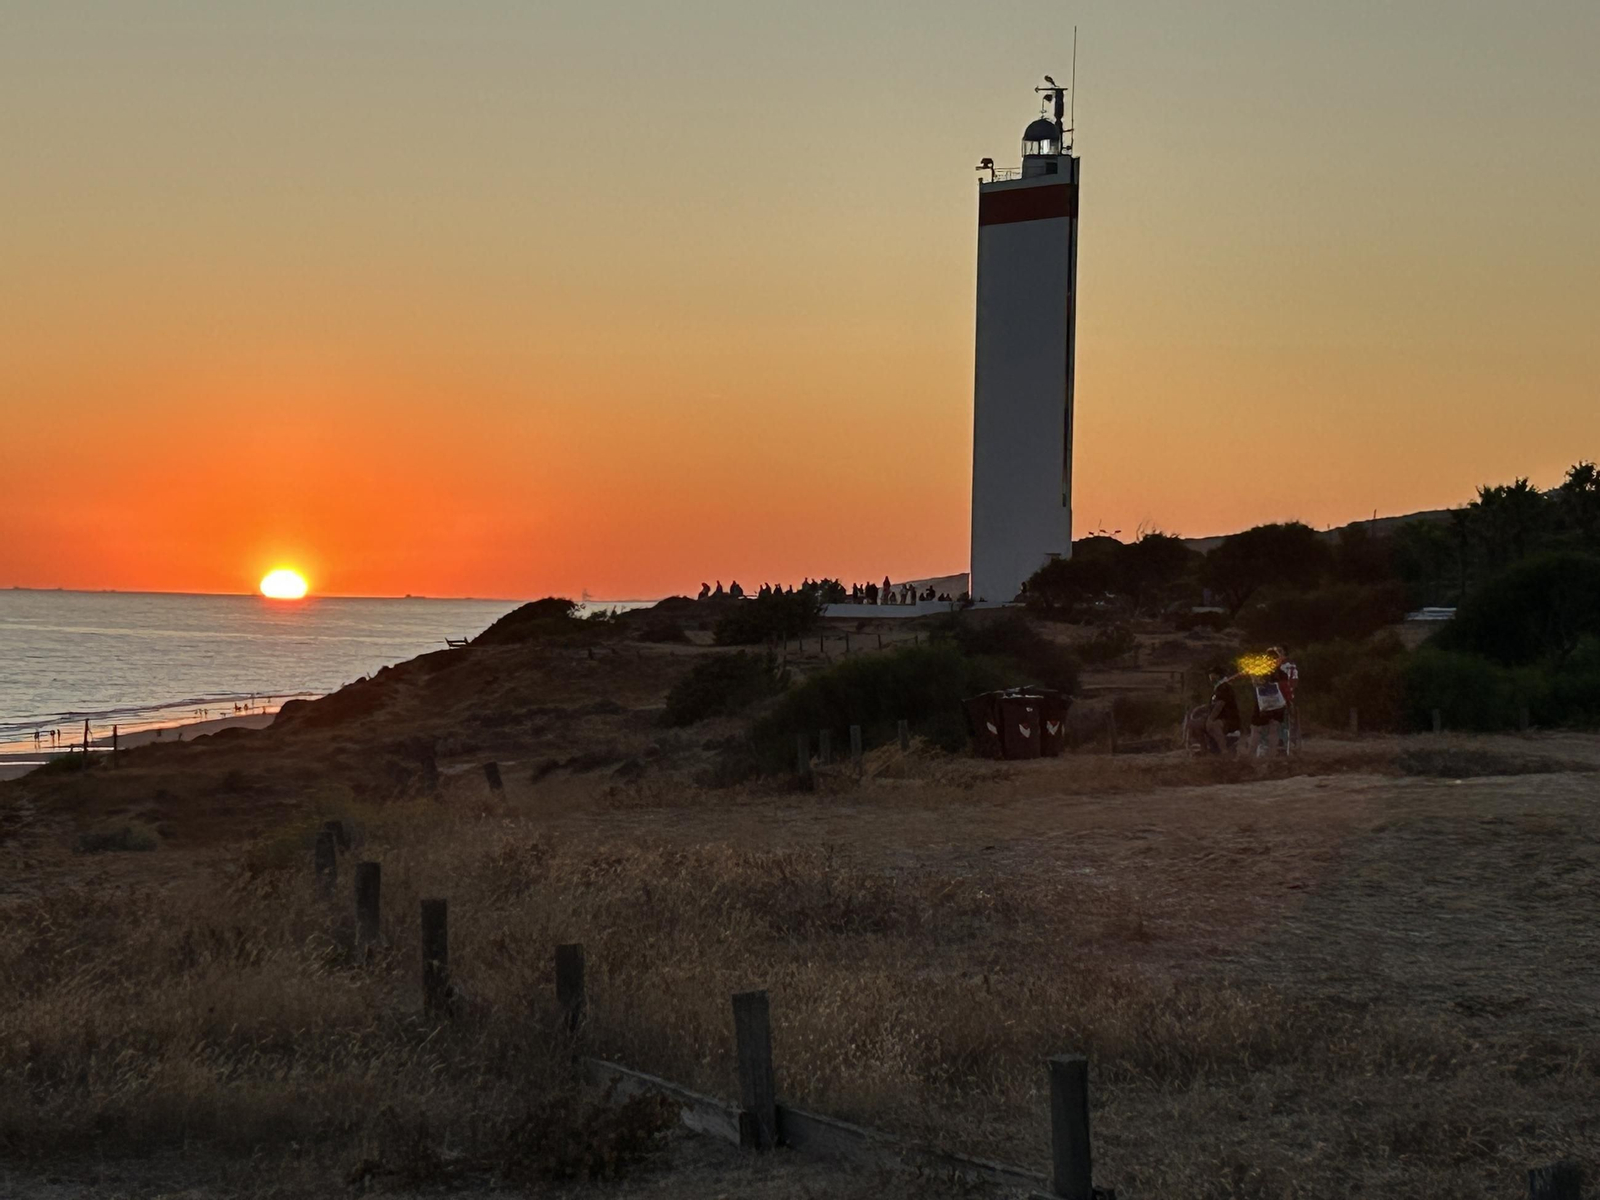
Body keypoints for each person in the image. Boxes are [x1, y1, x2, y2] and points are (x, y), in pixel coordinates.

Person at [1247, 652, 1291, 757]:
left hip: (1262, 705)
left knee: (1256, 730)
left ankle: (1250, 756)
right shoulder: (1282, 674)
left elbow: (1255, 683)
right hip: (1278, 705)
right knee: (1274, 730)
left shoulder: (1260, 673)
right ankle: (1271, 757)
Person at [1206, 667, 1242, 755]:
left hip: (1229, 719)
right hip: (1220, 718)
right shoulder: (1218, 688)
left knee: (1214, 726)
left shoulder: (1224, 687)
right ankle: (1205, 750)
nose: (1210, 676)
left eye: (1212, 674)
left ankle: (1224, 751)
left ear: (1217, 675)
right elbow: (1213, 704)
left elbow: (1220, 705)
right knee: (1195, 724)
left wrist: (1210, 719)